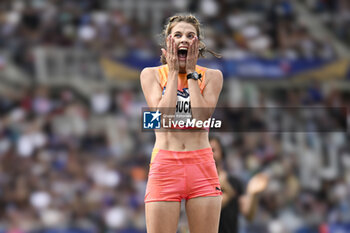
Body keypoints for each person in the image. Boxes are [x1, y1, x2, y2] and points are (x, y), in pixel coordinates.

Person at [140, 14, 223, 233]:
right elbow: (163, 119)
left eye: (190, 35)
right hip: (165, 166)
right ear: (168, 42)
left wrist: (192, 73)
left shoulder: (212, 76)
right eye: (177, 35)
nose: (183, 39)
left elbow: (201, 119)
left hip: (201, 166)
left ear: (198, 44)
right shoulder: (151, 75)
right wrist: (175, 71)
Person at [209, 136, 269, 233]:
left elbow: (248, 215)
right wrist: (228, 190)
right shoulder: (200, 183)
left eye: (213, 150)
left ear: (222, 153)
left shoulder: (234, 182)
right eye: (206, 150)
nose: (210, 154)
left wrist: (253, 193)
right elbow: (211, 210)